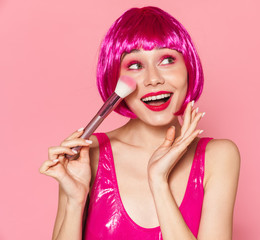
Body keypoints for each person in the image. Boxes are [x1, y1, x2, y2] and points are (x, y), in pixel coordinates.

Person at [39, 6, 240, 240]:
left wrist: (158, 181)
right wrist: (74, 201)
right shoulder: (86, 154)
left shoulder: (219, 157)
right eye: (135, 65)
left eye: (167, 59)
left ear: (188, 67)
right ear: (114, 78)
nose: (154, 79)